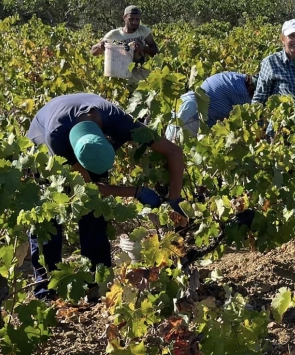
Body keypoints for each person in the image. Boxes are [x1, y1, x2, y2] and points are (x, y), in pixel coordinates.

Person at [26, 93, 186, 300]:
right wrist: (137, 192)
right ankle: (45, 291)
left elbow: (173, 152)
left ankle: (97, 283)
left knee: (95, 211)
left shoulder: (119, 121)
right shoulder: (56, 137)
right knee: (47, 220)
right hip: (42, 143)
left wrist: (174, 199)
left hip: (87, 140)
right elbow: (89, 189)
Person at [165, 71, 258, 141]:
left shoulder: (238, 78)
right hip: (192, 118)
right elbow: (246, 122)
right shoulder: (243, 94)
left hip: (184, 104)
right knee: (175, 153)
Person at [90, 5, 159, 83]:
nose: (134, 22)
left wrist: (143, 48)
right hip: (121, 78)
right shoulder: (114, 34)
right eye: (131, 19)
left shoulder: (143, 31)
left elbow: (155, 51)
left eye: (137, 19)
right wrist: (100, 46)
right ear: (124, 18)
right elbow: (93, 51)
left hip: (142, 77)